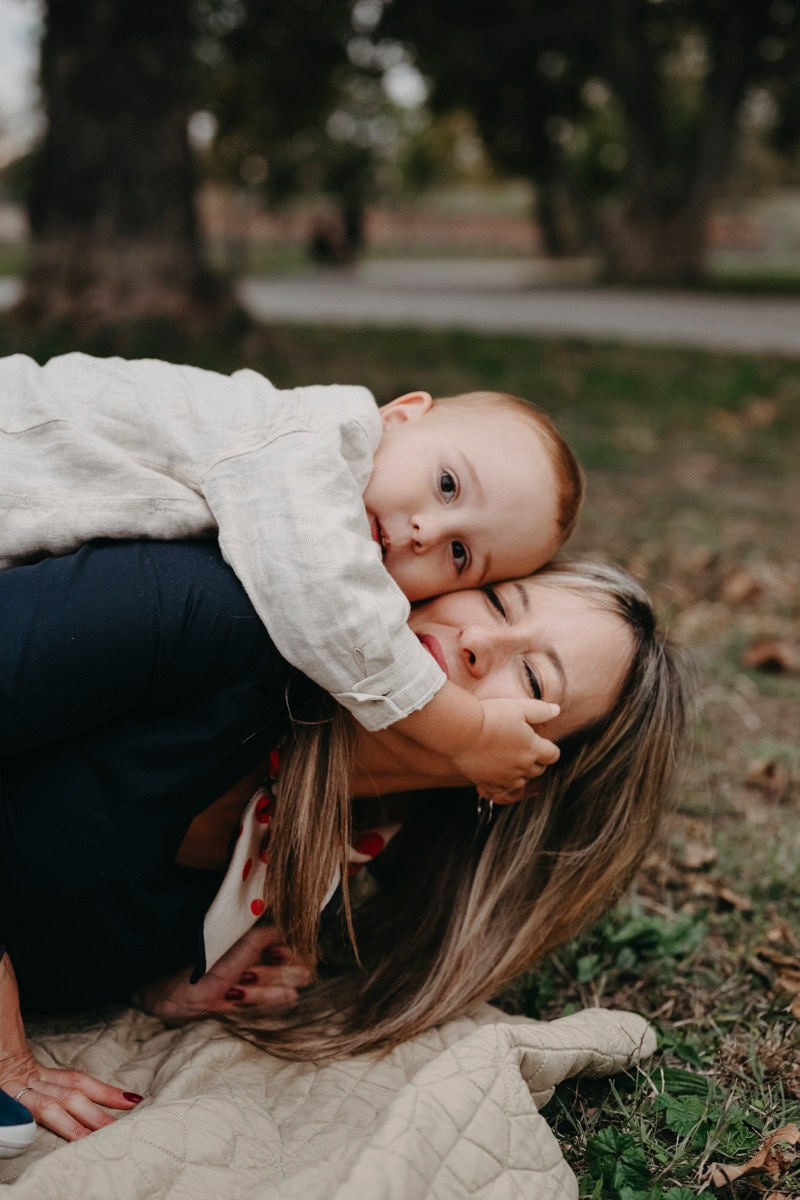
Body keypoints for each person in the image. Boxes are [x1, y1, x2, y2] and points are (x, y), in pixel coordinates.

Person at [0, 539, 687, 1142]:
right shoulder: (209, 613)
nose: (479, 639)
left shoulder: (318, 866)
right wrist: (10, 1062)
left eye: (533, 677)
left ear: (517, 781)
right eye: (498, 601)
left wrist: (153, 989)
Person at [0, 354, 583, 803]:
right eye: (448, 485)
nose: (425, 532)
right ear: (400, 415)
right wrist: (465, 731)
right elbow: (320, 594)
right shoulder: (302, 442)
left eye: (459, 554)